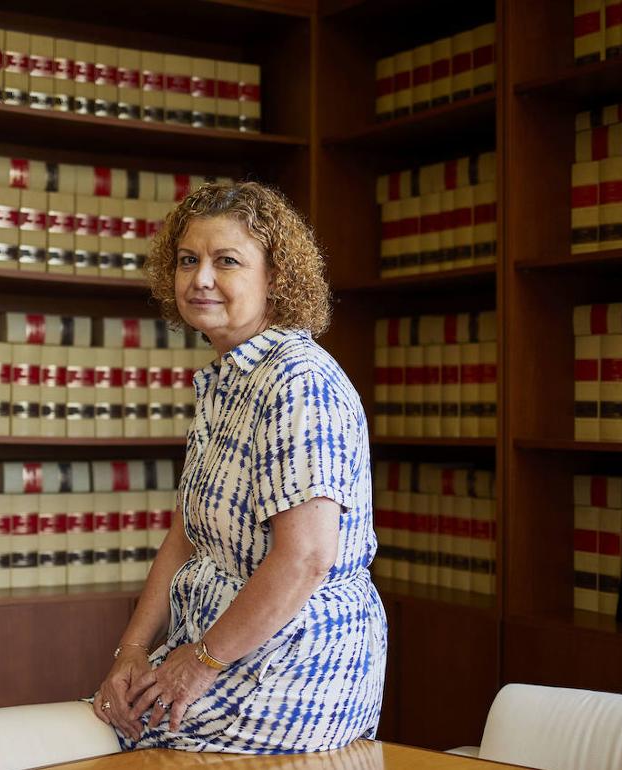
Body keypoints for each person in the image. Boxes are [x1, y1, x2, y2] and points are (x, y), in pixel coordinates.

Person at [92, 181, 386, 753]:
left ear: (275, 278)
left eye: (226, 261)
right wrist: (130, 651)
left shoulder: (298, 380)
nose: (200, 279)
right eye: (187, 260)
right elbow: (186, 537)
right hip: (218, 651)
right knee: (107, 721)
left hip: (298, 663)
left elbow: (304, 559)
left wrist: (198, 665)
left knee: (113, 746)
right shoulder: (226, 381)